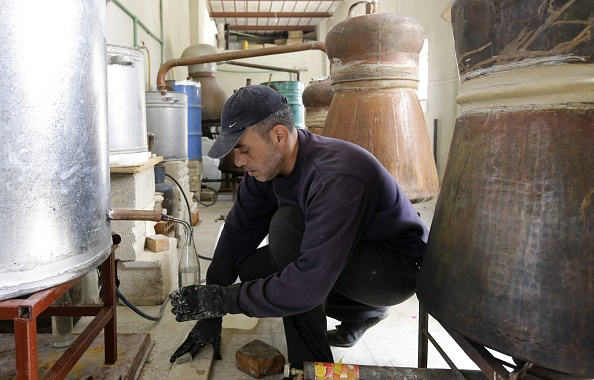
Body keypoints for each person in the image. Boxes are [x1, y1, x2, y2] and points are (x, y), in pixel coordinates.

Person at [169, 84, 428, 375]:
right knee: (254, 269)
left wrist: (226, 300)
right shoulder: (263, 171)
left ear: (278, 135)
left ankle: (312, 366)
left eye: (243, 149)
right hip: (348, 259)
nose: (239, 161)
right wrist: (211, 311)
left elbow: (306, 286)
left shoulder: (336, 175)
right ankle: (362, 314)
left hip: (393, 270)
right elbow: (236, 235)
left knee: (286, 226)